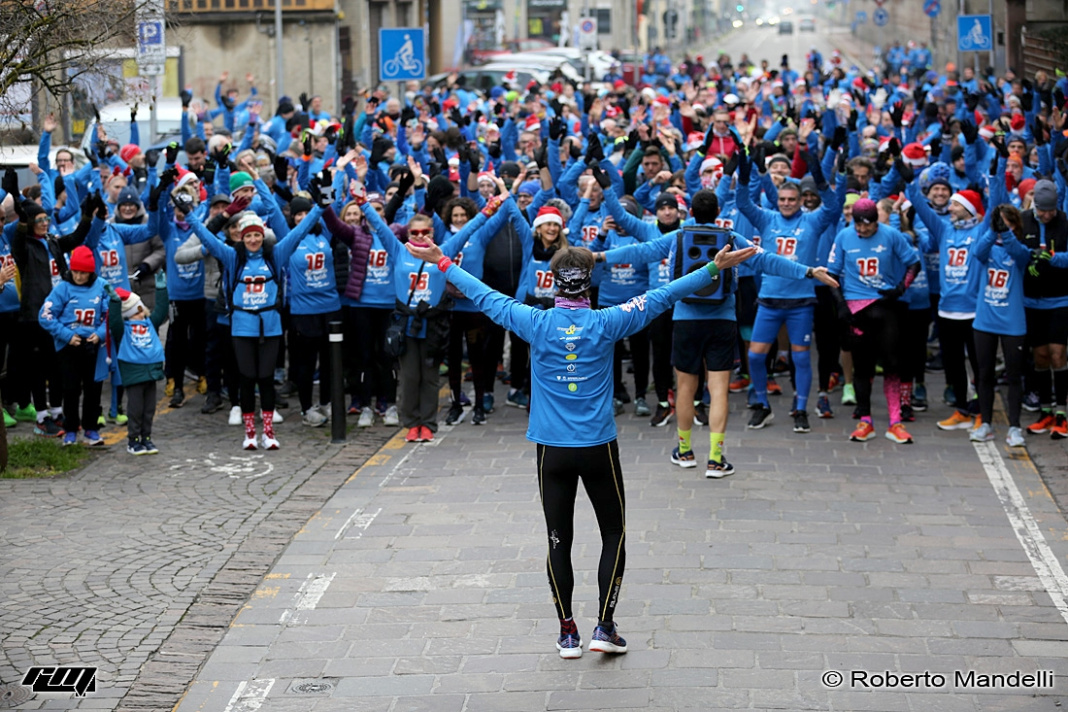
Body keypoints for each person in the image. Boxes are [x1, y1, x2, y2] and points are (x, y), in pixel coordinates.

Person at [402, 233, 756, 659]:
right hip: (598, 447)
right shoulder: (608, 320)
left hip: (551, 450)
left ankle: (567, 631)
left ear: (552, 282)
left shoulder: (533, 321)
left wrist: (442, 260)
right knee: (613, 534)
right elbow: (662, 295)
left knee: (558, 540)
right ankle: (604, 627)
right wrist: (714, 268)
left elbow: (485, 295)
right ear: (590, 282)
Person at [827, 198, 922, 444]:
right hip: (856, 308)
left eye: (867, 226)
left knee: (892, 364)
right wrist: (840, 306)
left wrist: (900, 289)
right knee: (862, 366)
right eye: (858, 225)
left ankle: (895, 422)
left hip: (885, 306)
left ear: (875, 221)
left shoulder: (891, 235)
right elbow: (832, 274)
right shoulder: (844, 236)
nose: (862, 230)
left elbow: (914, 263)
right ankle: (865, 420)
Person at [38, 246, 109, 446]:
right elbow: (45, 316)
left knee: (93, 389)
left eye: (83, 272)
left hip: (93, 345)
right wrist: (67, 335)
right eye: (75, 271)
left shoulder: (102, 286)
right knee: (70, 390)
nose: (78, 276)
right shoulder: (62, 288)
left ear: (91, 272)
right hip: (68, 346)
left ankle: (91, 429)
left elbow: (111, 315)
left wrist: (100, 333)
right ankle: (70, 429)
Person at [109, 275, 169, 455]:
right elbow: (114, 321)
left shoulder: (150, 323)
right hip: (134, 374)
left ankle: (146, 438)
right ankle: (133, 440)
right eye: (136, 312)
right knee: (135, 410)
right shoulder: (123, 329)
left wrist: (161, 289)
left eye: (141, 310)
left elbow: (161, 310)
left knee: (149, 409)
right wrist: (114, 303)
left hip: (151, 372)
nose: (141, 315)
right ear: (127, 315)